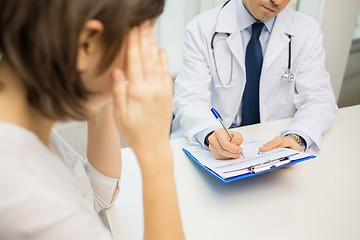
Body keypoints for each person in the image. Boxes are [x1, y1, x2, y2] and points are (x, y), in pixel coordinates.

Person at [0, 0, 184, 239]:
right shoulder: (30, 197)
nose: (133, 71)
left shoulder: (24, 127)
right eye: (136, 51)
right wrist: (156, 153)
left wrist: (102, 85)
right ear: (86, 43)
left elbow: (97, 195)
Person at [172, 0, 338, 159]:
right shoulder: (202, 28)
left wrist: (298, 137)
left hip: (272, 145)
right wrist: (209, 132)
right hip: (214, 146)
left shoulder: (306, 30)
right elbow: (189, 98)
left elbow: (319, 99)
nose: (278, 2)